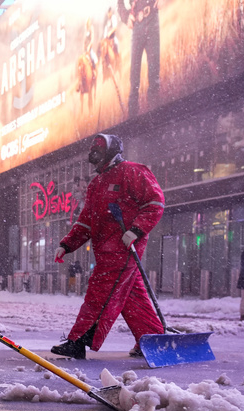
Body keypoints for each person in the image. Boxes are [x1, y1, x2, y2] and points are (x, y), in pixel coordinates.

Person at [51, 133, 165, 360]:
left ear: (112, 151)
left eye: (98, 151)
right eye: (92, 152)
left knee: (101, 293)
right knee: (131, 297)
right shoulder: (96, 184)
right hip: (105, 250)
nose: (93, 156)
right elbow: (86, 221)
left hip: (123, 248)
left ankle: (78, 340)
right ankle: (153, 340)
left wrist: (136, 230)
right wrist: (67, 244)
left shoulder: (133, 171)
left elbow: (155, 202)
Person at [119, 0, 159, 118]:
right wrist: (126, 17)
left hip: (152, 19)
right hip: (137, 26)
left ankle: (156, 118)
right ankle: (132, 123)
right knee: (134, 80)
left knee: (154, 76)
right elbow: (120, 3)